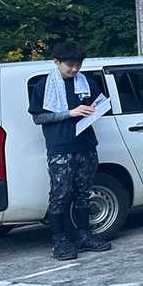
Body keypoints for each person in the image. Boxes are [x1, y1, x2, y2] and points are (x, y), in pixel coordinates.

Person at [27, 40, 110, 261]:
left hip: (86, 144)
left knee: (85, 191)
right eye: (70, 65)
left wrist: (96, 109)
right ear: (57, 62)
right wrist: (70, 113)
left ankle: (84, 235)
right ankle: (59, 240)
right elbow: (38, 118)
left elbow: (97, 104)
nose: (74, 69)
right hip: (60, 147)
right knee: (60, 194)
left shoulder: (86, 82)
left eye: (78, 65)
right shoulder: (44, 85)